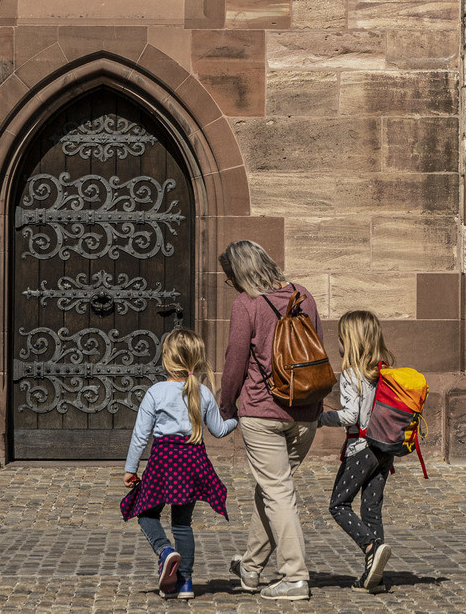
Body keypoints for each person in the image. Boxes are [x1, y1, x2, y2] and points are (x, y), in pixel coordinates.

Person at [218, 240, 327, 601]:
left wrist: (226, 406)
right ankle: (250, 568)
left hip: (262, 412)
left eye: (229, 276)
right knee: (272, 489)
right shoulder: (304, 296)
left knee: (277, 491)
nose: (230, 283)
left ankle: (295, 576)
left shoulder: (246, 304)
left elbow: (234, 363)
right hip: (306, 412)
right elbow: (318, 354)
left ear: (240, 272)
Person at [121, 329, 236, 599]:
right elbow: (219, 430)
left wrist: (130, 469)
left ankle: (164, 550)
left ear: (166, 359)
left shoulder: (156, 392)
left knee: (146, 513)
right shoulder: (203, 392)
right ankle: (184, 583)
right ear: (195, 360)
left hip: (163, 462)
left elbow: (140, 435)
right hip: (193, 462)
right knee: (182, 524)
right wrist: (237, 418)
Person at [321, 309, 394, 595]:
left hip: (362, 448)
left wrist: (321, 419)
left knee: (338, 504)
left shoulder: (351, 374)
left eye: (340, 338)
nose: (337, 343)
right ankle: (374, 577)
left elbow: (351, 415)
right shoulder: (383, 372)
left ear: (351, 341)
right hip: (384, 451)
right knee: (372, 509)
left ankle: (371, 547)